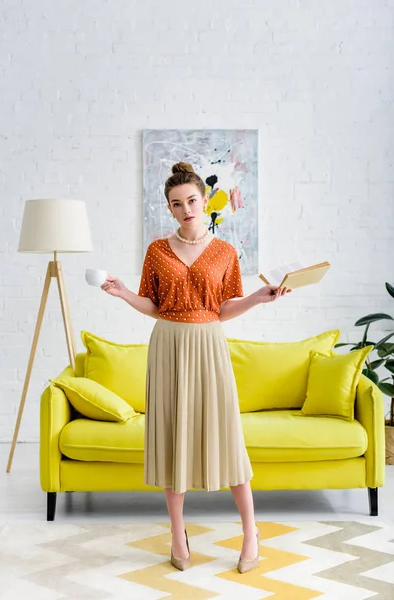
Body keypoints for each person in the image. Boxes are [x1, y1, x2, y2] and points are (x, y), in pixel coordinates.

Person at [101, 162, 292, 573]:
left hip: (208, 345)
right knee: (173, 440)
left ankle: (250, 532)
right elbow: (153, 305)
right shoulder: (156, 251)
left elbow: (223, 309)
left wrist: (260, 297)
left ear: (204, 201)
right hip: (168, 345)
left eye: (191, 200)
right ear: (169, 209)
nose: (185, 208)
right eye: (176, 204)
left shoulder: (225, 252)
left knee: (227, 439)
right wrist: (122, 294)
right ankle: (176, 534)